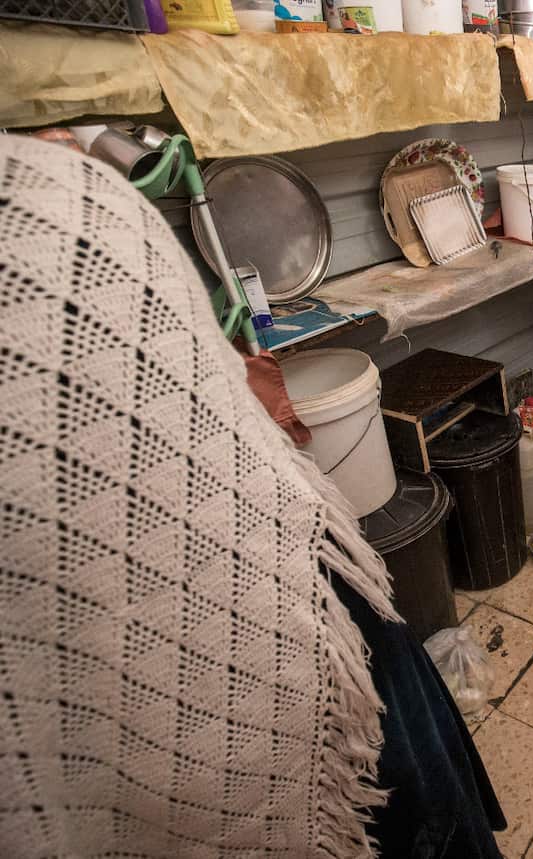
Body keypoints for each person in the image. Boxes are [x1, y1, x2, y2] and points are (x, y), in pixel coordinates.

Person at [0, 135, 505, 857]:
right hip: (300, 608)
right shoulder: (77, 199)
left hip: (295, 603)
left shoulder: (70, 203)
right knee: (410, 796)